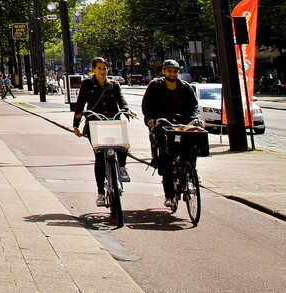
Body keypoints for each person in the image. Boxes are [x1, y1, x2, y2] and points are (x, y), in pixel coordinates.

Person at [141, 59, 202, 210]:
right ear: (163, 72)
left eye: (175, 72)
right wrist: (150, 120)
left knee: (191, 146)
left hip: (183, 125)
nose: (172, 74)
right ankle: (169, 196)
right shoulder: (155, 86)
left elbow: (194, 107)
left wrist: (196, 120)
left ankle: (190, 171)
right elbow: (146, 105)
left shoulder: (185, 88)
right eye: (169, 71)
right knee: (166, 159)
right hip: (163, 125)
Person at [71, 56, 130, 207]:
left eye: (104, 68)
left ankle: (122, 167)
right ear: (93, 70)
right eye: (99, 69)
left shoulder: (114, 85)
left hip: (112, 122)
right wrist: (76, 124)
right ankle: (101, 193)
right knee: (99, 157)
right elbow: (80, 104)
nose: (102, 71)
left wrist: (126, 109)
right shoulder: (87, 84)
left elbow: (121, 100)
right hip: (95, 125)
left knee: (123, 144)